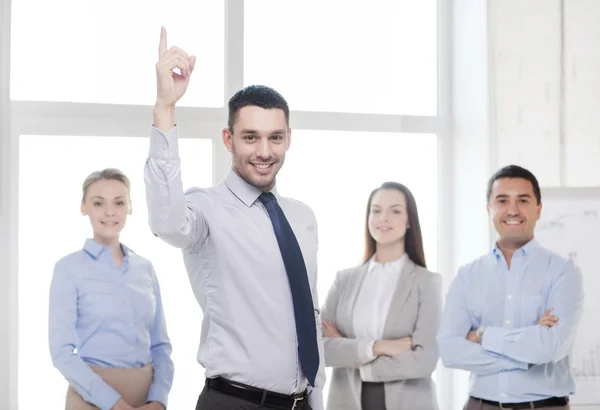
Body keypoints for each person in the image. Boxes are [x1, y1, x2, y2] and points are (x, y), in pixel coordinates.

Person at [144, 27, 325, 410]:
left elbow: (307, 314)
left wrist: (316, 396)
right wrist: (165, 108)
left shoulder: (302, 217)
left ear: (289, 138)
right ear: (228, 139)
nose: (264, 151)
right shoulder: (206, 209)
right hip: (234, 402)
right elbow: (166, 221)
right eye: (250, 137)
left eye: (275, 137)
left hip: (302, 401)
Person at [437, 164, 584, 410]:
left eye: (523, 200)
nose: (513, 210)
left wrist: (482, 335)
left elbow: (551, 348)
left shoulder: (563, 271)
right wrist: (527, 353)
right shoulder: (467, 275)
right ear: (489, 209)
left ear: (539, 209)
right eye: (502, 200)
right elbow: (450, 351)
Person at [49, 168, 174, 410]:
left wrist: (159, 400)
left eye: (118, 202)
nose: (109, 212)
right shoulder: (68, 269)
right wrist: (114, 404)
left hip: (147, 398)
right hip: (90, 397)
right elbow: (61, 352)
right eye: (98, 203)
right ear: (84, 207)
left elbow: (161, 346)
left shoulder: (145, 268)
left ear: (130, 207)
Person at [320, 182, 441, 410]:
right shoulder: (344, 280)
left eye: (395, 211)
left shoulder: (428, 282)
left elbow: (425, 361)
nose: (383, 218)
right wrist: (378, 347)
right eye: (376, 211)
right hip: (346, 402)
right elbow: (320, 349)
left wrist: (355, 357)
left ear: (408, 221)